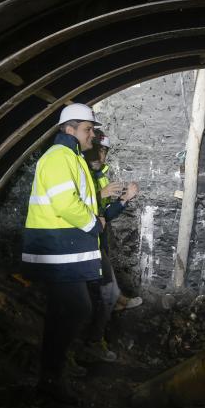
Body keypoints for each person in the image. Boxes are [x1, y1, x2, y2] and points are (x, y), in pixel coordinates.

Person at [21, 102, 104, 405]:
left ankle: (50, 379)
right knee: (78, 309)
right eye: (88, 129)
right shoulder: (59, 157)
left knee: (62, 313)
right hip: (55, 249)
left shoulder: (71, 156)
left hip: (62, 249)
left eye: (91, 129)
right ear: (69, 129)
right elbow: (65, 203)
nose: (91, 135)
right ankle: (52, 375)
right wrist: (95, 223)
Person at [80, 130, 141, 362]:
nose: (100, 157)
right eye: (96, 151)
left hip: (96, 243)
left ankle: (113, 305)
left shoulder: (99, 176)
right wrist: (99, 193)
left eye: (103, 152)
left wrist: (124, 199)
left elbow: (104, 214)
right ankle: (92, 342)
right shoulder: (80, 173)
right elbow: (74, 205)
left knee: (105, 290)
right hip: (82, 245)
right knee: (101, 293)